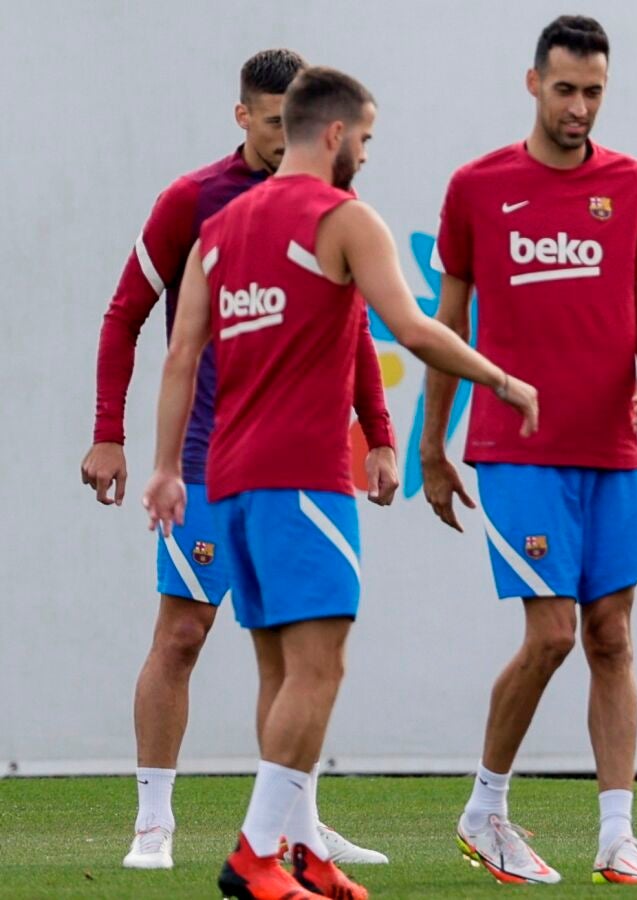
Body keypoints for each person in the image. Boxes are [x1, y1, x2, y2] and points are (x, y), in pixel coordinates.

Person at [142, 66, 539, 900]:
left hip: (229, 482)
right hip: (301, 481)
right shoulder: (344, 217)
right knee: (320, 670)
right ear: (333, 134)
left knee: (281, 673)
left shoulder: (222, 227)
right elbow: (414, 328)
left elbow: (180, 357)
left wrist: (167, 468)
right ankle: (256, 854)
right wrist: (502, 381)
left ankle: (298, 850)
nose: (366, 152)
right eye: (365, 137)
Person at [81, 48, 392, 871]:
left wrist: (380, 433)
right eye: (271, 119)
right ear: (243, 115)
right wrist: (110, 432)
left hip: (294, 461)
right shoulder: (194, 201)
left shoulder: (335, 203)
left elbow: (357, 326)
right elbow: (125, 316)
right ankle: (153, 822)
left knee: (295, 647)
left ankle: (296, 827)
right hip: (208, 458)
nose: (285, 134)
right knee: (182, 631)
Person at [420, 15, 637, 886]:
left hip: (612, 448)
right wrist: (432, 446)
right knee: (553, 635)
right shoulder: (477, 187)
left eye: (594, 92)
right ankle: (484, 810)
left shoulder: (635, 186)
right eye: (565, 89)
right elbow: (446, 326)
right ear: (533, 83)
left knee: (612, 636)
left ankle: (617, 837)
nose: (580, 107)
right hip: (517, 447)